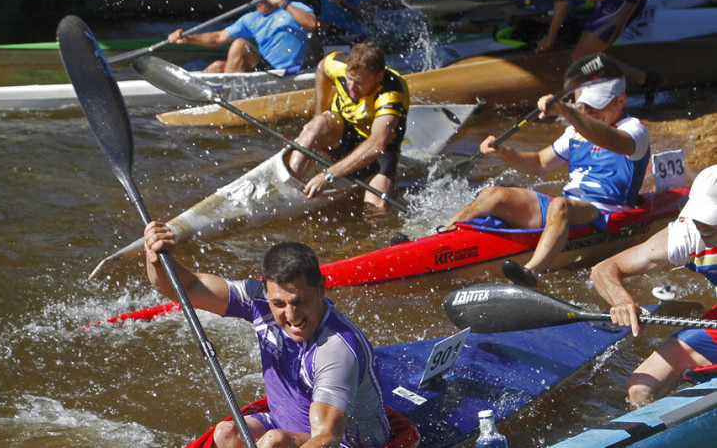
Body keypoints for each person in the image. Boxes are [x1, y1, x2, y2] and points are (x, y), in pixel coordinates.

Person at [143, 221, 391, 448]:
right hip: (286, 426)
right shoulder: (257, 299)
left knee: (273, 443)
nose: (292, 315)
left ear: (321, 288)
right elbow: (184, 287)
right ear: (266, 293)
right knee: (226, 434)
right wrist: (155, 257)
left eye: (299, 301)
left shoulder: (335, 349)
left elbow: (326, 438)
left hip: (348, 443)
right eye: (279, 304)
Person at [443, 68, 650, 287]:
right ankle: (440, 238)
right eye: (584, 106)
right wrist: (504, 151)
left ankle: (529, 272)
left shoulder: (635, 131)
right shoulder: (575, 131)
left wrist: (566, 111)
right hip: (569, 207)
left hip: (606, 212)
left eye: (596, 106)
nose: (588, 112)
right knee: (493, 195)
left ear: (621, 101)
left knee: (561, 205)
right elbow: (540, 163)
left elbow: (611, 140)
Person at [590, 165, 717, 407]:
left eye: (709, 217)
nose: (700, 224)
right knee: (640, 388)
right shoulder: (689, 234)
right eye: (698, 215)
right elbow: (604, 269)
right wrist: (621, 300)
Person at [287, 40, 410, 208]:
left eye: (360, 82)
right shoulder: (338, 64)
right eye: (349, 79)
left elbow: (376, 145)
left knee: (376, 208)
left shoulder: (391, 91)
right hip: (344, 133)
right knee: (318, 124)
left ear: (379, 76)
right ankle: (289, 184)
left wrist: (328, 176)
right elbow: (322, 68)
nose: (352, 87)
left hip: (378, 154)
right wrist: (319, 113)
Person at [534, 0, 660, 105]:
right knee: (580, 56)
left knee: (582, 56)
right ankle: (646, 79)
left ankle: (585, 108)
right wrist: (551, 37)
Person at [167, 0, 317, 73]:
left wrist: (283, 3)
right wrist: (188, 38)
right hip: (263, 70)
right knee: (217, 67)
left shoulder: (294, 8)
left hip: (283, 72)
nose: (254, 0)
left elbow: (311, 24)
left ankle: (227, 94)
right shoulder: (251, 19)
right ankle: (193, 97)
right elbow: (218, 37)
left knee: (240, 44)